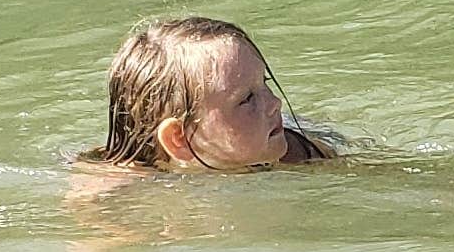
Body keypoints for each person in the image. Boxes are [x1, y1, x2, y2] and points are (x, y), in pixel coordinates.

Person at [79, 15, 338, 173]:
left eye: (265, 82)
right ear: (178, 138)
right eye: (247, 99)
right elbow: (94, 248)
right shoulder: (118, 187)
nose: (275, 103)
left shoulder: (301, 154)